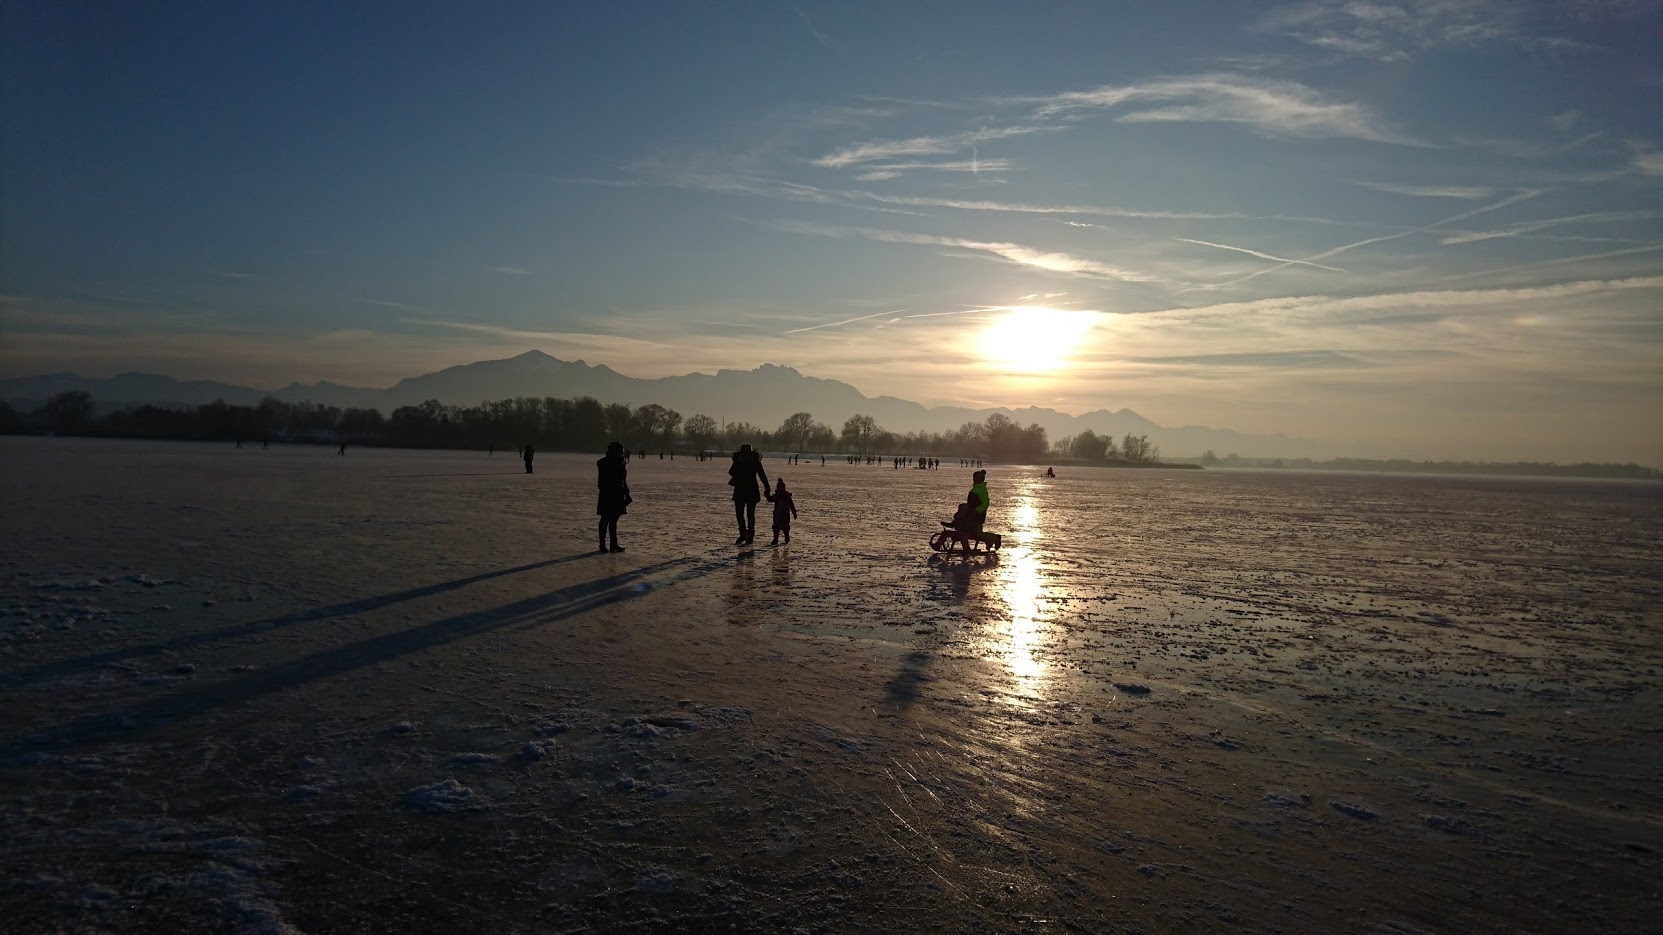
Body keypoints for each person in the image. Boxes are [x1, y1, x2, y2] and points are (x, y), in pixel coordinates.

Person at [728, 443, 771, 545]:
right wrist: (767, 488)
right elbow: (762, 476)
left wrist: (739, 467)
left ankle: (743, 535)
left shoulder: (739, 460)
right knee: (750, 514)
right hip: (752, 490)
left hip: (740, 490)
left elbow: (731, 472)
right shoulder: (755, 462)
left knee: (740, 514)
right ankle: (750, 536)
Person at [596, 441, 629, 553]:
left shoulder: (620, 463)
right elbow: (602, 482)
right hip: (609, 495)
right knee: (605, 519)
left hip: (617, 495)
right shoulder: (605, 463)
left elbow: (623, 481)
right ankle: (602, 544)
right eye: (621, 450)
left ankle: (613, 544)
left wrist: (626, 494)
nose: (622, 452)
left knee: (613, 520)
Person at [769, 478, 798, 546]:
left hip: (784, 514)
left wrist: (794, 512)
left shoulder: (786, 496)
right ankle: (776, 539)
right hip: (778, 514)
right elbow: (770, 499)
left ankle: (785, 537)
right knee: (777, 527)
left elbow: (791, 504)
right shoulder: (777, 496)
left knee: (784, 526)